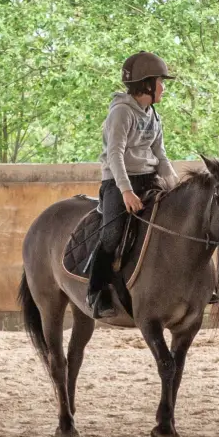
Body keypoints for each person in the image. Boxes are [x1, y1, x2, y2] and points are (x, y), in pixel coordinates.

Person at [86, 52, 179, 319]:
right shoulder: (122, 113)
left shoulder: (153, 114)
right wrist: (126, 190)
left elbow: (160, 155)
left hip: (149, 178)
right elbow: (115, 154)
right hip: (118, 181)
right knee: (112, 233)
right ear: (147, 84)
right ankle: (96, 290)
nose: (163, 87)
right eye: (160, 82)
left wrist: (174, 185)